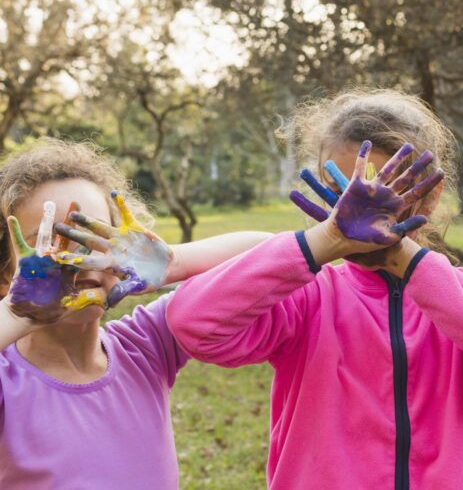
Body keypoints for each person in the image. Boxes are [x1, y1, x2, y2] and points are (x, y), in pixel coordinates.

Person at [166, 89, 463, 489]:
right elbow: (192, 322)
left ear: (429, 196)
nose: (361, 209)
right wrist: (322, 241)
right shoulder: (310, 298)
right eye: (342, 192)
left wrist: (403, 255)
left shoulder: (462, 296)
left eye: (385, 189)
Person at [0, 138, 272, 489]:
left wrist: (173, 262)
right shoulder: (8, 382)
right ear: (6, 274)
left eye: (96, 236)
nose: (78, 259)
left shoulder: (145, 343)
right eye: (51, 242)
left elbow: (270, 252)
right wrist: (17, 312)